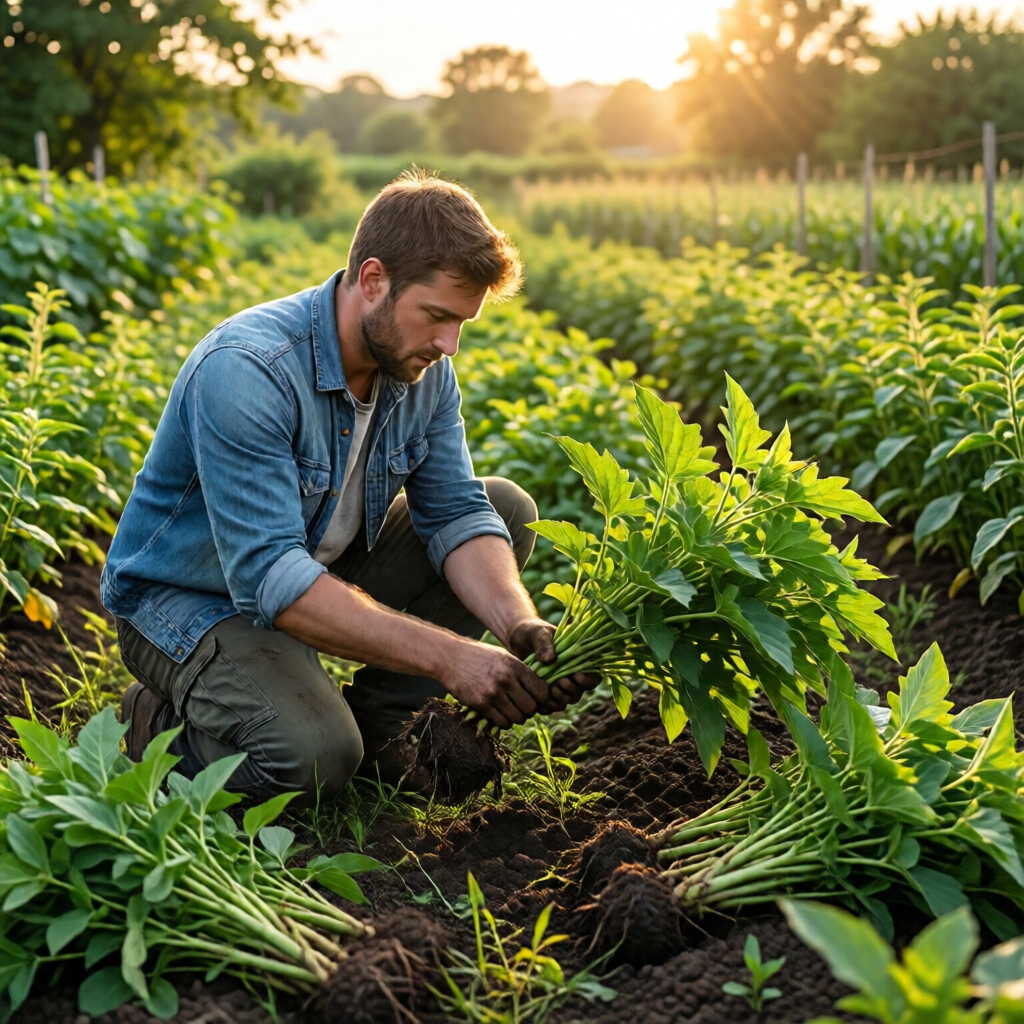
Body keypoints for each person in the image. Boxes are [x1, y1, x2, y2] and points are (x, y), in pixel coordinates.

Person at [102, 170, 598, 804]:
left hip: (308, 564)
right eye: (437, 316)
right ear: (374, 280)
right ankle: (154, 724)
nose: (448, 345)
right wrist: (451, 658)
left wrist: (518, 623)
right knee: (312, 759)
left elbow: (455, 512)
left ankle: (382, 729)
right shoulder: (248, 369)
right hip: (191, 601)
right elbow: (271, 579)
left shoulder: (422, 371)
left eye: (462, 323)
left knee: (506, 510)